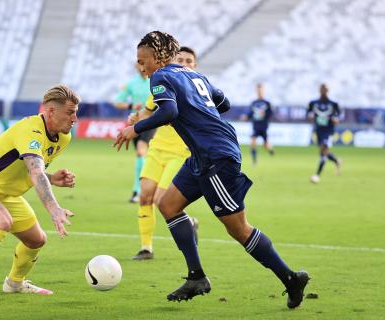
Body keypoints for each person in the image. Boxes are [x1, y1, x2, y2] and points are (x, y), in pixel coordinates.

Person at [114, 31, 309, 309]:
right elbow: (224, 103)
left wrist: (133, 128)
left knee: (238, 229)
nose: (141, 66)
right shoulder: (195, 76)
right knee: (168, 205)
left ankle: (290, 278)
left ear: (157, 57)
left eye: (142, 60)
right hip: (201, 156)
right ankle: (196, 277)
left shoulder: (162, 77)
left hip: (216, 157)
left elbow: (168, 113)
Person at [0, 85, 79, 308]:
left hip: (6, 194)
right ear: (51, 112)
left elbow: (31, 169)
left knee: (37, 240)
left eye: (76, 112)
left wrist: (52, 179)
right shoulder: (30, 130)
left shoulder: (63, 137)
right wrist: (54, 209)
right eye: (70, 113)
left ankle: (14, 283)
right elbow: (35, 170)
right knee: (1, 221)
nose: (75, 119)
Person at [128, 46, 200, 260]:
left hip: (180, 153)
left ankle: (189, 222)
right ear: (173, 62)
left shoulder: (198, 91)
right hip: (157, 149)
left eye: (189, 61)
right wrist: (135, 118)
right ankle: (146, 248)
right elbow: (147, 110)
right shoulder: (161, 84)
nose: (185, 63)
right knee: (144, 197)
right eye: (181, 60)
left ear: (195, 66)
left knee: (162, 201)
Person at [113, 64, 154, 203]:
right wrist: (131, 106)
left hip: (152, 121)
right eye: (139, 63)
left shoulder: (156, 80)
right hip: (135, 123)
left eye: (143, 63)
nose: (142, 66)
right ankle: (144, 188)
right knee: (142, 155)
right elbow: (117, 102)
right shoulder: (131, 83)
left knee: (141, 151)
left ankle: (138, 190)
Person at [307, 83, 342, 184]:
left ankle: (317, 175)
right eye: (322, 89)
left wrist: (336, 119)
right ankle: (337, 161)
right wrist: (310, 117)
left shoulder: (333, 104)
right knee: (323, 152)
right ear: (320, 90)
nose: (324, 91)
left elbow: (338, 116)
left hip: (328, 131)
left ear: (328, 91)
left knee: (323, 152)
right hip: (319, 131)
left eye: (326, 90)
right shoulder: (313, 103)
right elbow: (308, 114)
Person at [241, 83, 274, 165]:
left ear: (263, 91)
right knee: (252, 142)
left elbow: (270, 114)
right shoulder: (254, 103)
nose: (259, 91)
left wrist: (264, 114)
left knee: (266, 145)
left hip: (264, 127)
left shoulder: (267, 103)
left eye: (261, 90)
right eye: (258, 90)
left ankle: (270, 150)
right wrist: (246, 116)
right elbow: (251, 113)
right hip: (255, 127)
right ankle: (254, 161)